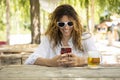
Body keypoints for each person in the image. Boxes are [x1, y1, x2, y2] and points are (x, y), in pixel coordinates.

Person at [25, 4, 97, 67]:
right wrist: (50, 62)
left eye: (70, 23)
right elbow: (31, 60)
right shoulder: (49, 39)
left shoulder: (84, 37)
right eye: (61, 24)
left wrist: (80, 61)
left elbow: (99, 58)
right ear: (55, 24)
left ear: (75, 23)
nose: (66, 27)